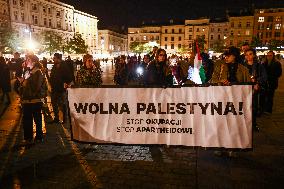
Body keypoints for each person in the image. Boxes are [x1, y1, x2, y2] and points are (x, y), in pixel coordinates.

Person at [19, 55, 45, 144]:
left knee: (37, 119)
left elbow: (36, 88)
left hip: (35, 100)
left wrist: (25, 82)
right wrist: (22, 82)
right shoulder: (27, 71)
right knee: (26, 120)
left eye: (28, 60)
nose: (26, 61)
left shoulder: (38, 72)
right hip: (26, 100)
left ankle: (39, 136)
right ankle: (28, 137)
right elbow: (22, 85)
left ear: (33, 62)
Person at [244, 48, 267, 131]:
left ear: (253, 55)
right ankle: (245, 123)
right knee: (244, 107)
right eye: (246, 54)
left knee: (253, 107)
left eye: (250, 54)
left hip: (254, 89)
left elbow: (264, 77)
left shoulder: (259, 65)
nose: (248, 56)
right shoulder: (242, 65)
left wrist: (257, 82)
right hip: (244, 89)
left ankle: (253, 124)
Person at [49, 53, 73, 124]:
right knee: (54, 104)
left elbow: (69, 77)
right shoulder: (54, 67)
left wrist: (66, 83)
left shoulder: (64, 66)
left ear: (59, 59)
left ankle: (65, 119)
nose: (53, 59)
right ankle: (56, 118)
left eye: (55, 58)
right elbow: (52, 76)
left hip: (61, 89)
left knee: (63, 105)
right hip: (54, 88)